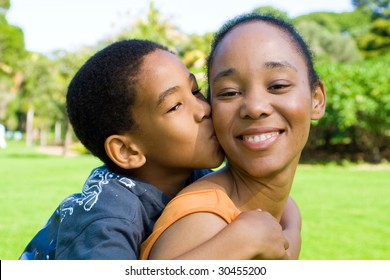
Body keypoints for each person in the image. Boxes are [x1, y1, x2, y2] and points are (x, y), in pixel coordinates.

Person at [20, 39, 300, 260]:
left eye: (194, 90)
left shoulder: (189, 175)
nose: (204, 109)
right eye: (175, 106)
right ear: (128, 151)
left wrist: (292, 223)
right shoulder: (106, 221)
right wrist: (237, 243)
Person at [140, 13, 326, 260]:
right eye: (229, 92)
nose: (254, 107)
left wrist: (293, 231)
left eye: (278, 85)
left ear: (316, 99)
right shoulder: (205, 221)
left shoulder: (284, 210)